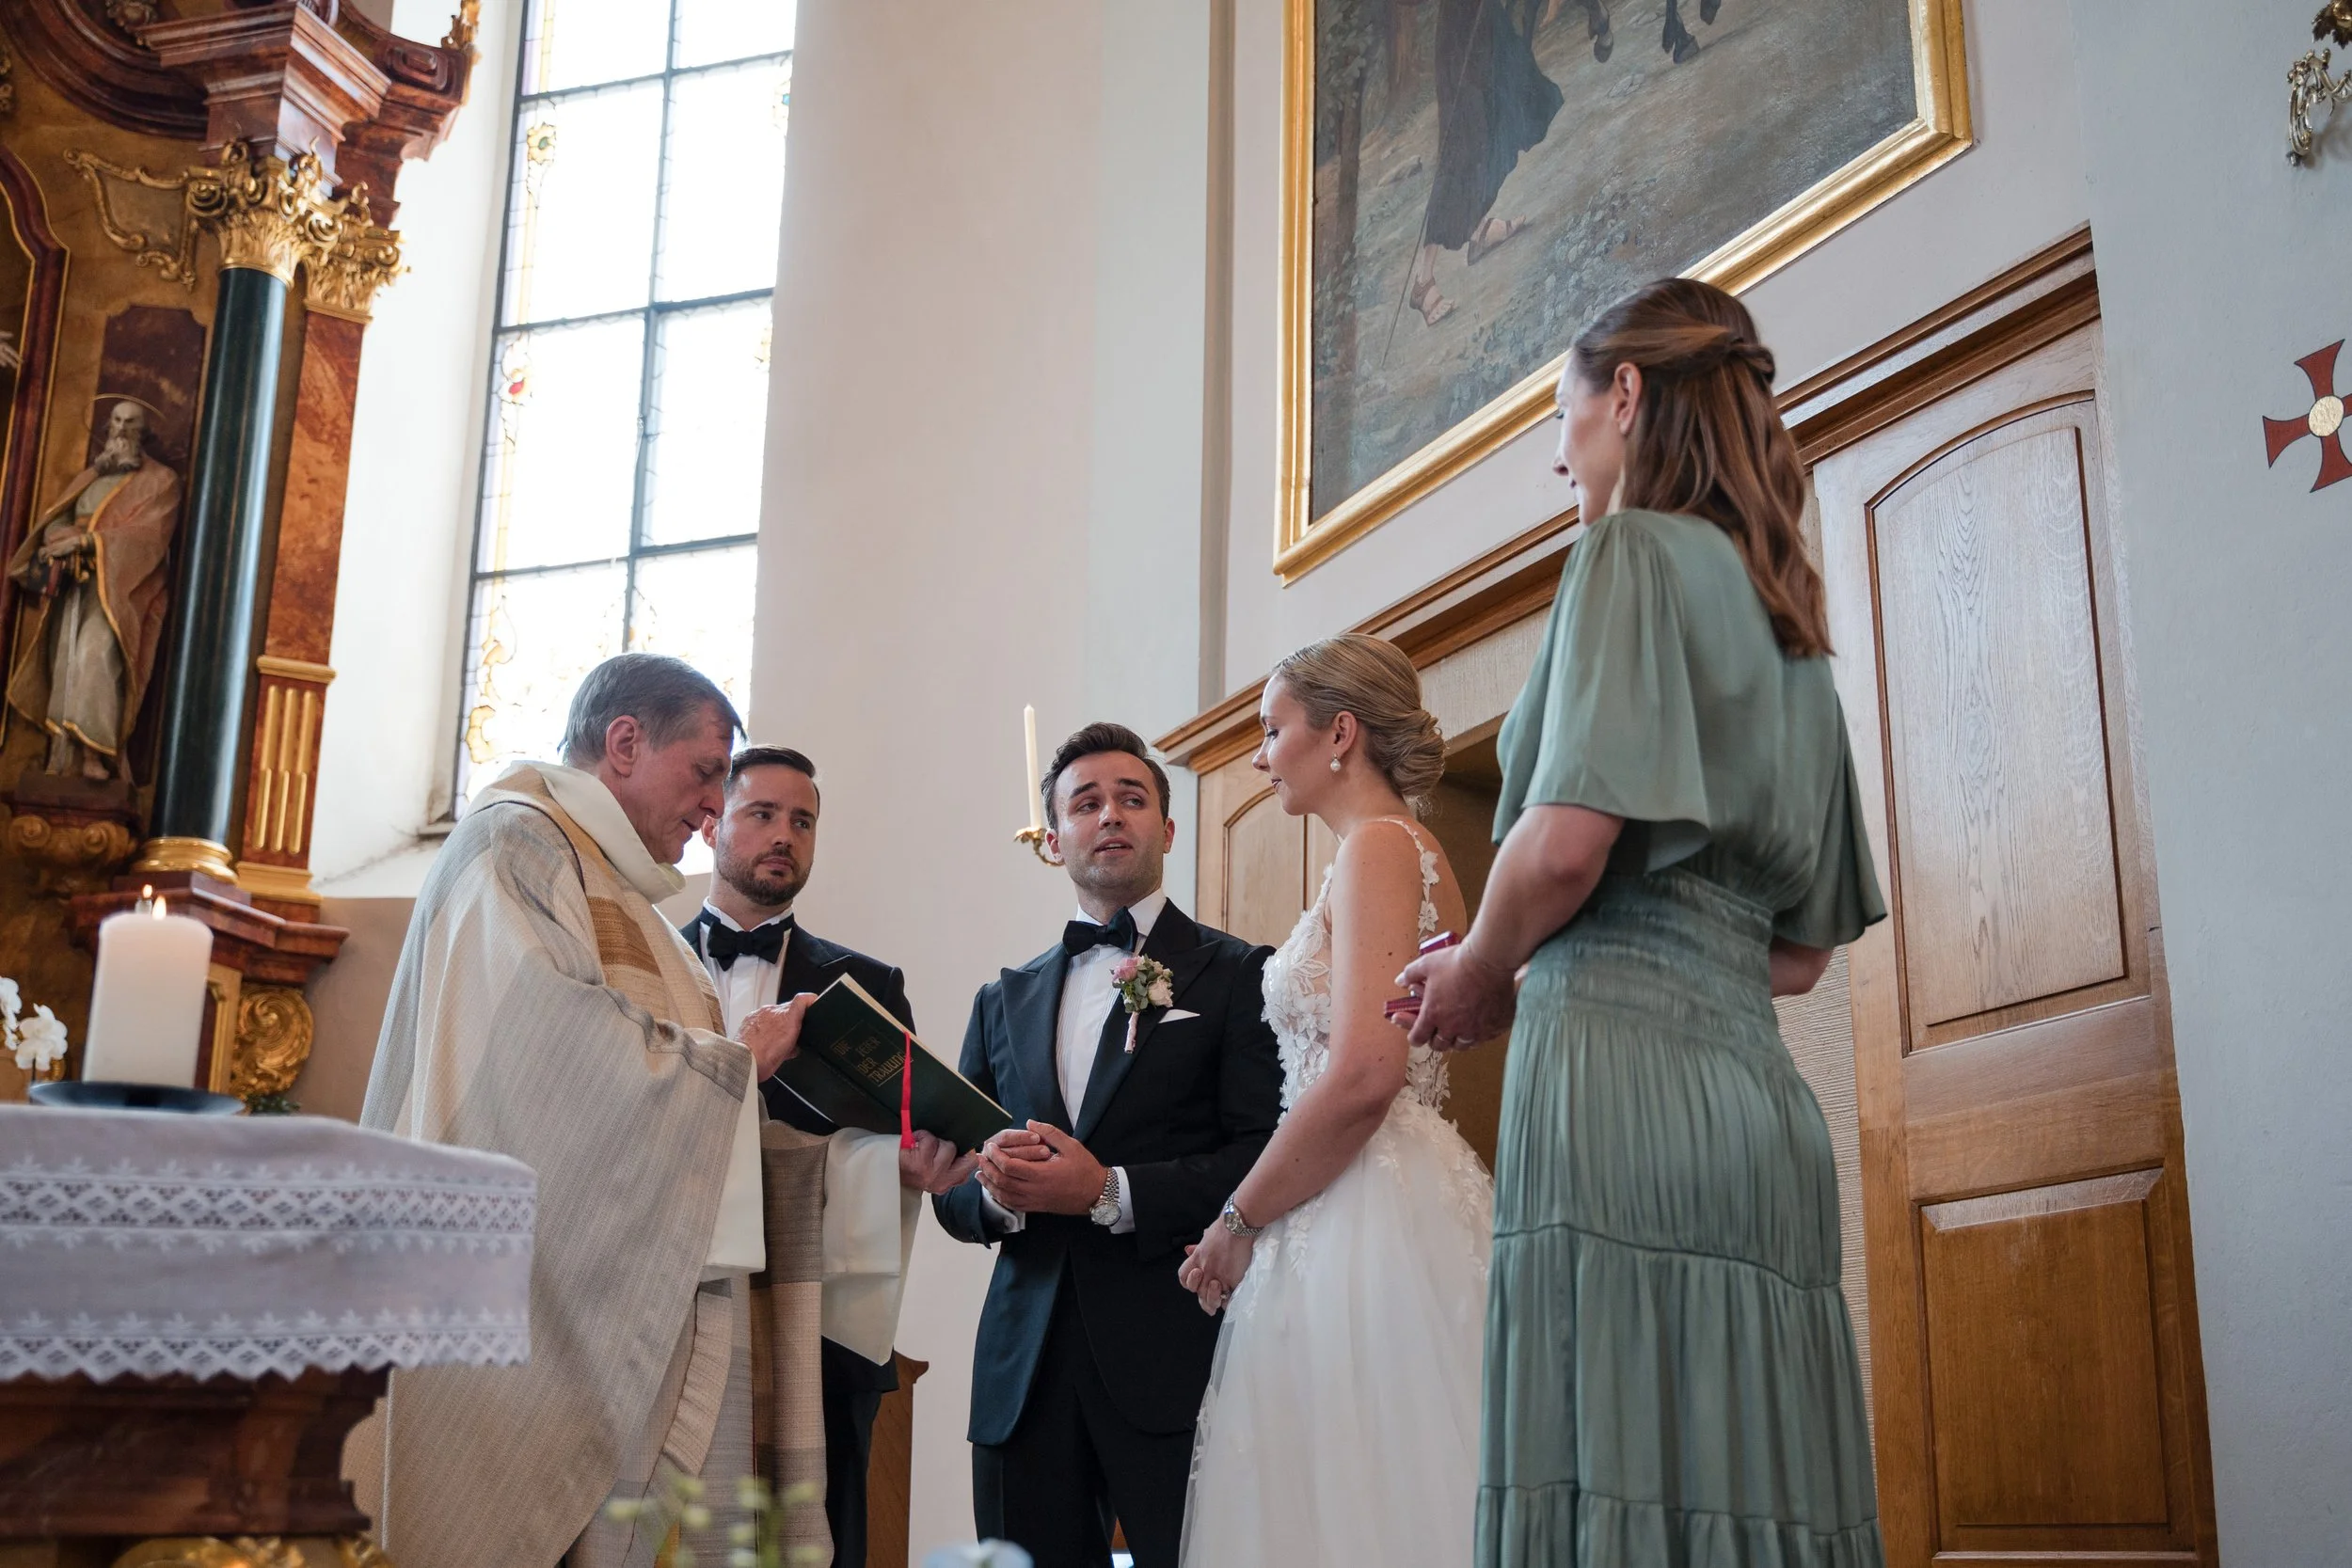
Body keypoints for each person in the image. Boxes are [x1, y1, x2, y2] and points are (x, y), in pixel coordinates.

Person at [1399, 277, 1887, 1567]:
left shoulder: (1625, 553)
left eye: (1564, 419)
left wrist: (1476, 970)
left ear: (1625, 394)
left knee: (1608, 1473)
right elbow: (1798, 951)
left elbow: (1563, 844)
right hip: (1757, 1118)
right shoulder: (1798, 643)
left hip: (1613, 1087)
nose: (1560, 456)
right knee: (1756, 1482)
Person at [352, 654, 830, 1568]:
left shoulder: (622, 889)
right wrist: (736, 1063)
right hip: (516, 1295)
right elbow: (549, 1043)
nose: (709, 806)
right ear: (622, 743)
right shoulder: (518, 842)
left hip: (597, 1274)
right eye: (703, 774)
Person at [1175, 633, 1495, 1566]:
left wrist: (1237, 1216)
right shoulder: (1399, 851)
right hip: (1375, 1190)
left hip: (1364, 1209)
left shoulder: (1380, 848)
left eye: (1273, 730)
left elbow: (1362, 1070)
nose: (1259, 753)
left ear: (1339, 732)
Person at [932, 722, 1284, 1568]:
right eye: (1085, 803)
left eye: (1133, 797)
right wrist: (993, 1194)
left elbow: (1264, 1157)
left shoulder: (1236, 975)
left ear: (1167, 827)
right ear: (1053, 841)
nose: (1110, 815)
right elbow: (950, 1184)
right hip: (1023, 1369)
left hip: (1176, 1351)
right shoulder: (1000, 999)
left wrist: (1109, 1190)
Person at [681, 744, 976, 1567]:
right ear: (712, 825)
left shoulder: (865, 983)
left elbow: (901, 1126)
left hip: (822, 1311)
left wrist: (908, 1166)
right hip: (680, 1296)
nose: (784, 835)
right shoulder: (651, 964)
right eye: (762, 814)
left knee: (824, 1534)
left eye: (802, 821)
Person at [5, 399, 180, 781]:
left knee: (95, 655)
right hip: (76, 586)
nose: (121, 429)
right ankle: (61, 753)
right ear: (106, 427)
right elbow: (56, 520)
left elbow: (149, 537)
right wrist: (61, 538)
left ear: (144, 432)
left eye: (131, 423)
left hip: (120, 590)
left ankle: (94, 754)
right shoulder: (90, 478)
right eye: (116, 421)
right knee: (65, 661)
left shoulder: (161, 481)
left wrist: (87, 544)